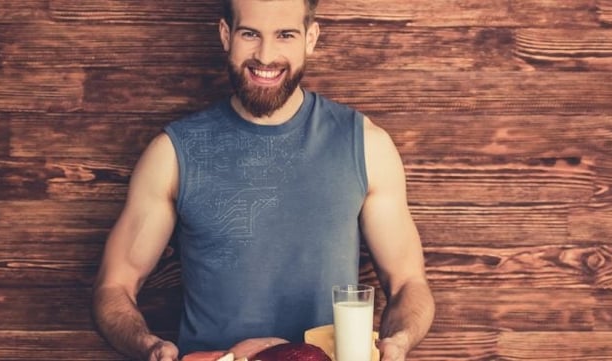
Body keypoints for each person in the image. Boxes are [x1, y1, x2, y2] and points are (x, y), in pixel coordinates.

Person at [92, 0, 435, 360]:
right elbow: (114, 286)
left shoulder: (367, 146)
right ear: (226, 35)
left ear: (310, 38)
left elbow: (408, 283)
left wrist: (399, 341)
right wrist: (149, 346)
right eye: (250, 34)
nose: (266, 55)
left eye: (285, 35)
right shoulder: (172, 155)